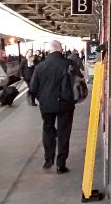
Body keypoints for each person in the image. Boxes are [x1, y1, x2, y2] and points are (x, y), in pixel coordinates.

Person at [29, 40, 83, 174]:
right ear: (60, 49)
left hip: (47, 105)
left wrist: (42, 99)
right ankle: (61, 164)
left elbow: (33, 88)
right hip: (66, 104)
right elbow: (80, 82)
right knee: (64, 132)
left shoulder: (40, 67)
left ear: (50, 50)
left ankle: (48, 160)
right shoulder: (69, 64)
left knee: (48, 130)